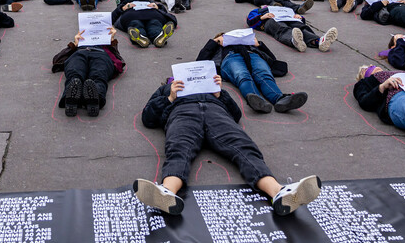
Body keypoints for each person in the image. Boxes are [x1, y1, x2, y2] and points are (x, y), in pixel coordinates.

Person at [133, 74, 321, 216]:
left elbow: (236, 114)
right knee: (179, 148)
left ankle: (278, 192)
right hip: (183, 114)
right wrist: (170, 97)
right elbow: (148, 118)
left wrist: (220, 94)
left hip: (217, 115)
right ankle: (167, 192)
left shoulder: (215, 90)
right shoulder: (166, 91)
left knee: (243, 147)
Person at [196, 33, 306, 113]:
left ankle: (280, 99)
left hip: (252, 55)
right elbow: (201, 60)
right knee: (242, 75)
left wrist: (259, 45)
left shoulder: (249, 45)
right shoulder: (219, 46)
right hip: (230, 58)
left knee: (264, 75)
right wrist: (215, 42)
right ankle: (257, 100)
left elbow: (271, 58)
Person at [53, 28, 124, 117]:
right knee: (75, 74)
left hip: (101, 54)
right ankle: (72, 99)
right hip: (80, 52)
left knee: (99, 74)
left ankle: (95, 98)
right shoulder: (78, 43)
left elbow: (117, 56)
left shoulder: (107, 44)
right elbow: (57, 59)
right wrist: (74, 44)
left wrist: (112, 40)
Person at [247, 5, 338, 53]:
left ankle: (318, 41)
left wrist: (300, 17)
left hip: (289, 18)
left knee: (300, 26)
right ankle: (293, 40)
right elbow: (250, 21)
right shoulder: (259, 10)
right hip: (271, 20)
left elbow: (302, 21)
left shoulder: (286, 9)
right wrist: (262, 17)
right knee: (281, 28)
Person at [112, 0, 176, 48]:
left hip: (136, 16)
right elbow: (112, 16)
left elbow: (113, 17)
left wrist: (157, 7)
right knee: (154, 24)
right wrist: (123, 8)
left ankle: (142, 37)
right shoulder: (125, 5)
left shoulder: (153, 4)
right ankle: (158, 35)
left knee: (138, 24)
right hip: (146, 15)